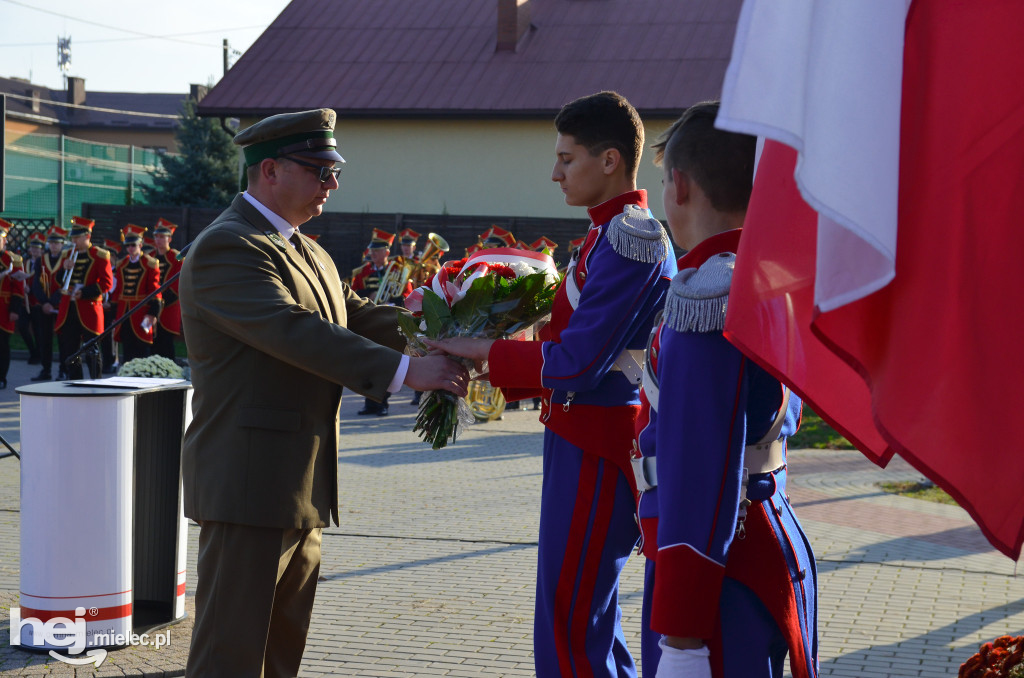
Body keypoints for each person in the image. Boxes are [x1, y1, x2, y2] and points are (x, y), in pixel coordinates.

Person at [178, 108, 469, 678]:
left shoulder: (302, 247)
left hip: (298, 485)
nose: (332, 183)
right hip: (250, 485)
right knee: (230, 655)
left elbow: (353, 316)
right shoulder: (229, 247)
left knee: (280, 651)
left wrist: (438, 330)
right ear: (269, 172)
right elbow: (295, 332)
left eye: (334, 171)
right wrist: (409, 373)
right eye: (318, 170)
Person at [429, 91, 677, 678]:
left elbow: (578, 364)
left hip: (597, 441)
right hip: (578, 435)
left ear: (610, 160)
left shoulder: (631, 239)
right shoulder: (605, 236)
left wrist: (485, 351)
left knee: (572, 619)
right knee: (583, 617)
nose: (555, 172)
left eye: (568, 159)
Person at [632, 101, 818, 678]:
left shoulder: (706, 297)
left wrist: (683, 637)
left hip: (714, 572)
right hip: (760, 532)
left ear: (679, 185)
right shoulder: (766, 277)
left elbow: (698, 467)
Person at [350, 229, 401, 415]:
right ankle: (369, 404)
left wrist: (395, 301)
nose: (372, 254)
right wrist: (368, 296)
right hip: (369, 322)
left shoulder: (397, 271)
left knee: (387, 364)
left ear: (386, 253)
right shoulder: (362, 272)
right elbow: (352, 295)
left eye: (377, 251)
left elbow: (406, 295)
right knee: (368, 364)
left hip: (389, 322)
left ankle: (382, 403)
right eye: (372, 251)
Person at [55, 216, 112, 380]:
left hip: (89, 307)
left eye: (77, 237)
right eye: (73, 237)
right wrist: (63, 270)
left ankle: (96, 383)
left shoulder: (100, 255)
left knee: (92, 350)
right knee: (70, 350)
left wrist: (85, 292)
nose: (74, 241)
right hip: (69, 308)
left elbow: (106, 283)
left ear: (87, 236)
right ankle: (75, 384)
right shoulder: (67, 254)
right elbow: (58, 280)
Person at [111, 224, 161, 362]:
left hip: (141, 311)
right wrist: (114, 312)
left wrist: (153, 312)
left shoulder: (150, 263)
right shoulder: (121, 264)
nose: (130, 248)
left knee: (142, 347)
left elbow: (154, 289)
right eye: (127, 246)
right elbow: (119, 289)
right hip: (124, 311)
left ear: (141, 244)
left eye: (133, 245)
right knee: (127, 347)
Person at [32, 225, 67, 381]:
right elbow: (36, 284)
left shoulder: (66, 260)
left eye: (57, 243)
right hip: (44, 306)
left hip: (60, 306)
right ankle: (45, 369)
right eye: (52, 243)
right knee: (45, 338)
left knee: (63, 340)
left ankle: (63, 370)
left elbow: (66, 283)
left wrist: (53, 302)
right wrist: (44, 302)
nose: (54, 246)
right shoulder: (41, 260)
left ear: (62, 244)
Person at [151, 218, 183, 360]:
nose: (158, 240)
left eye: (162, 236)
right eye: (156, 236)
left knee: (166, 343)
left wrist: (159, 303)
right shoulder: (149, 257)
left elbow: (177, 286)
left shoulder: (177, 258)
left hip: (168, 308)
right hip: (150, 307)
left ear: (169, 238)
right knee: (150, 344)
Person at [0, 220, 26, 389]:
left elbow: (18, 288)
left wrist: (15, 309)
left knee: (2, 344)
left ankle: (2, 376)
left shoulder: (12, 259)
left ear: (4, 240)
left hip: (4, 308)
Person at [15, 232, 45, 366]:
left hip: (37, 302)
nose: (34, 250)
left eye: (37, 248)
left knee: (38, 331)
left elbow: (45, 283)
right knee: (22, 327)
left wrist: (32, 289)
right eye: (32, 248)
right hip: (25, 302)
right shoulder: (24, 263)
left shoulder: (44, 265)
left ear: (41, 250)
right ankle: (33, 351)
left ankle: (38, 355)